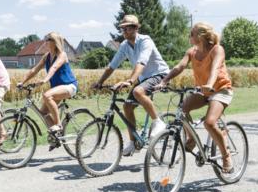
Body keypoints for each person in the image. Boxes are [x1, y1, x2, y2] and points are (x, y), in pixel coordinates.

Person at [155, 22, 234, 173]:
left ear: (200, 36)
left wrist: (210, 84)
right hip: (203, 91)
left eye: (191, 33)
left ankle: (226, 156)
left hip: (220, 89)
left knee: (210, 123)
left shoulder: (217, 49)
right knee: (182, 110)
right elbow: (179, 67)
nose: (189, 36)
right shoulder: (192, 52)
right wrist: (164, 81)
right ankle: (191, 139)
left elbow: (216, 68)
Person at [92, 14, 170, 156]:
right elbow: (112, 66)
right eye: (122, 29)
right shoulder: (124, 45)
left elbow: (141, 62)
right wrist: (100, 82)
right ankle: (133, 142)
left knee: (138, 92)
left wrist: (129, 81)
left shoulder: (145, 41)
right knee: (127, 106)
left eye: (127, 28)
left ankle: (158, 122)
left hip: (159, 74)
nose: (124, 31)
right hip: (143, 78)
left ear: (135, 28)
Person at [18, 32, 78, 150]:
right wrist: (22, 82)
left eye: (48, 39)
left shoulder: (62, 55)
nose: (45, 41)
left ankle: (58, 126)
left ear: (54, 42)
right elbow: (34, 70)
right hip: (57, 88)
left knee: (47, 95)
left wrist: (45, 79)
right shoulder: (47, 56)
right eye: (45, 39)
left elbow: (54, 67)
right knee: (43, 113)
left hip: (69, 86)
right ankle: (56, 136)